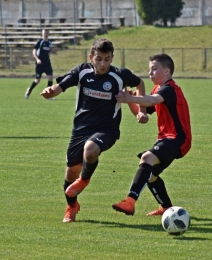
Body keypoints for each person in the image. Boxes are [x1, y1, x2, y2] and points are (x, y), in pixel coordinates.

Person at [40, 38, 148, 223]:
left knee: (90, 150)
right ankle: (72, 206)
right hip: (80, 130)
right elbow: (60, 87)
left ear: (112, 58)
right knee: (70, 174)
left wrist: (141, 111)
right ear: (91, 57)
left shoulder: (120, 75)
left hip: (108, 130)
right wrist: (51, 91)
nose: (103, 63)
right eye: (99, 59)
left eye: (107, 59)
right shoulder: (82, 72)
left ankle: (84, 180)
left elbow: (140, 84)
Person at [112, 53, 192, 216]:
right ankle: (167, 208)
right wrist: (132, 103)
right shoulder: (158, 89)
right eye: (149, 70)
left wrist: (133, 99)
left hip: (177, 139)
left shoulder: (169, 89)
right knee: (151, 174)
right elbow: (145, 110)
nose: (150, 73)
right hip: (168, 139)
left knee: (147, 158)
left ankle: (130, 202)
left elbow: (153, 100)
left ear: (167, 72)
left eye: (154, 69)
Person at [25, 28, 54, 99]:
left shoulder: (50, 43)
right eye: (44, 33)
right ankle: (29, 90)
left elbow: (48, 52)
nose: (46, 34)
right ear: (42, 34)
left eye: (47, 33)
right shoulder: (40, 42)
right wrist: (37, 59)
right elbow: (34, 51)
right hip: (40, 64)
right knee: (37, 80)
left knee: (50, 77)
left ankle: (48, 95)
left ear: (49, 34)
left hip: (47, 63)